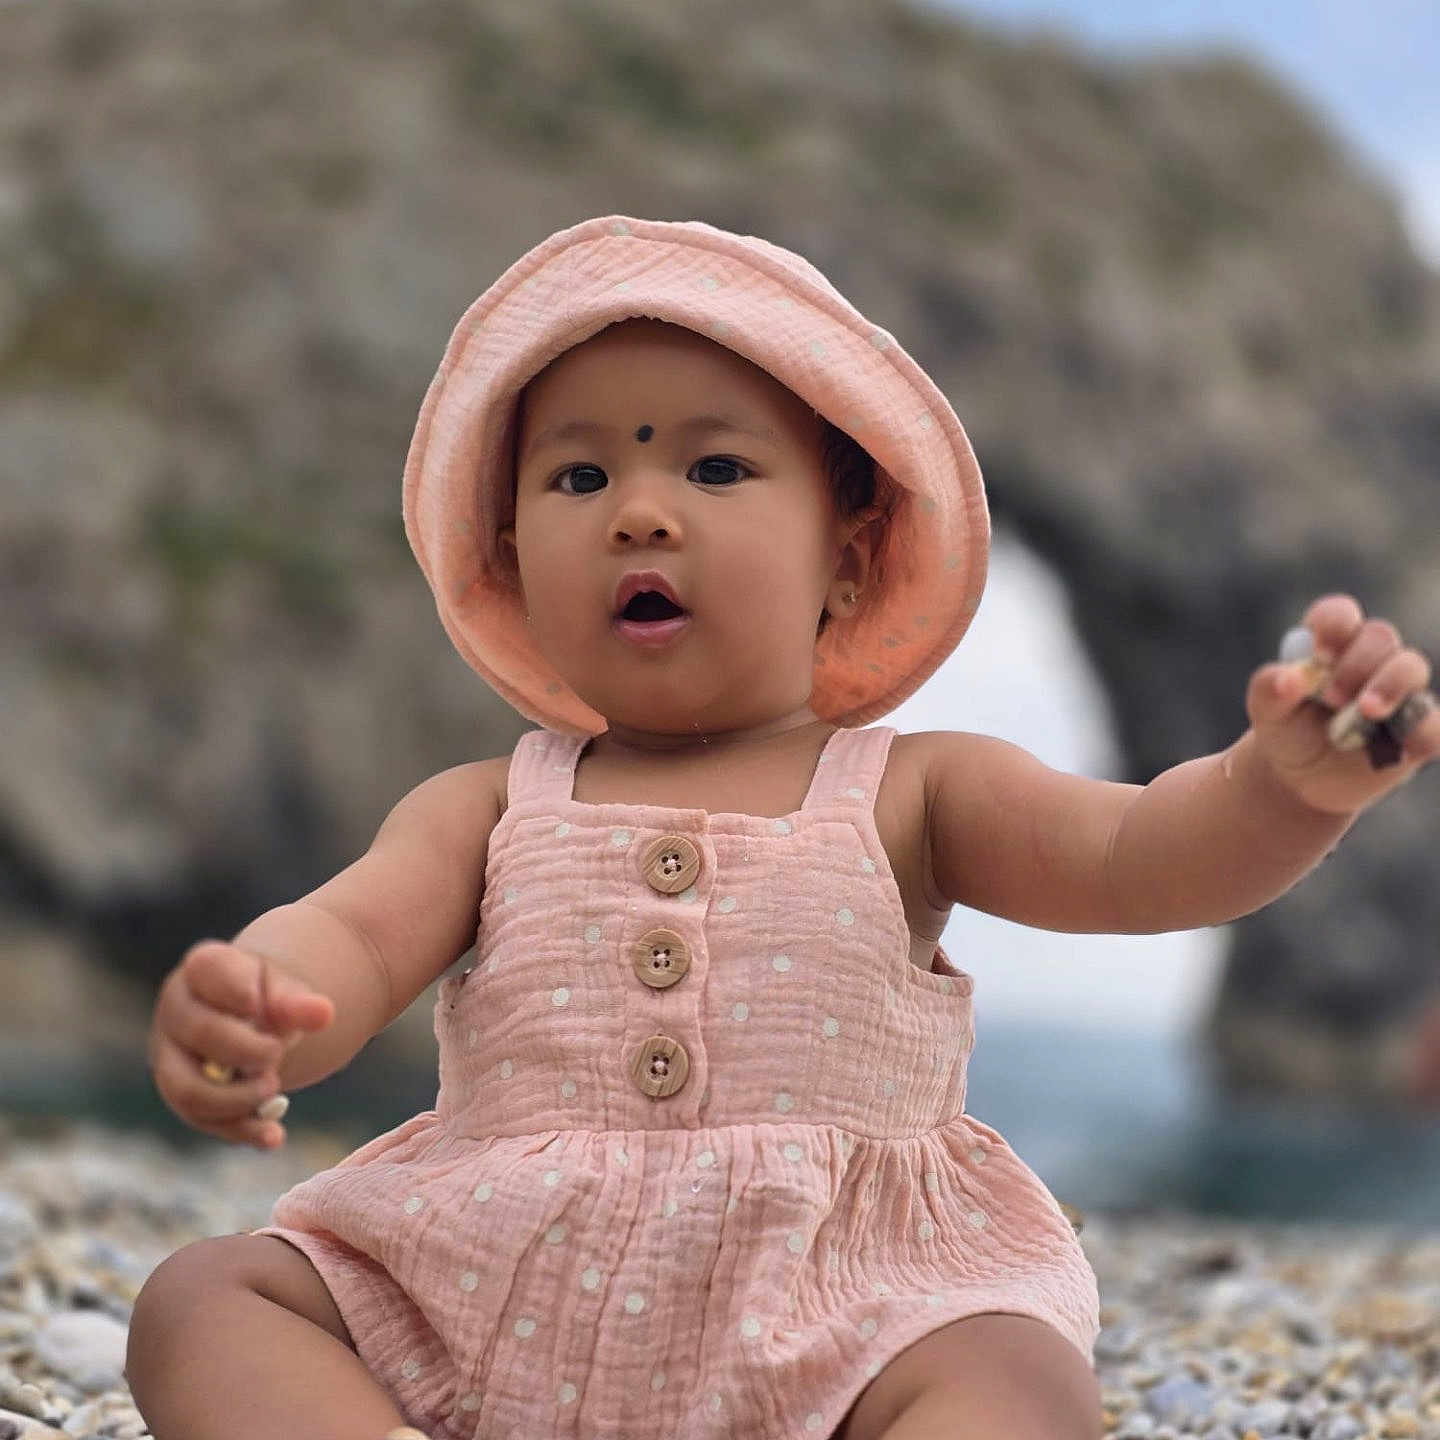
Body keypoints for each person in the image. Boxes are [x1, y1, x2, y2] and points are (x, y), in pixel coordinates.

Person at [125, 216, 1438, 1440]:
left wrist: (1281, 790)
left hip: (841, 1305)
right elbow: (355, 933)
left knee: (1017, 1381)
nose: (642, 508)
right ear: (516, 559)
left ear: (849, 558)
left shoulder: (913, 789)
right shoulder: (487, 804)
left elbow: (1137, 856)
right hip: (486, 1286)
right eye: (579, 474)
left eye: (713, 464)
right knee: (205, 1302)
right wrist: (269, 998)